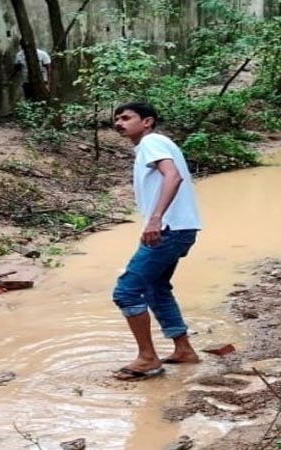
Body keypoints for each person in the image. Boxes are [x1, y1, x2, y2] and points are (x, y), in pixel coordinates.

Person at [111, 102, 202, 381]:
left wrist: (155, 219)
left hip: (169, 229)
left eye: (126, 118)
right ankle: (183, 349)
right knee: (155, 287)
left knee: (126, 291)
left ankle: (147, 359)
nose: (119, 123)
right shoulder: (153, 145)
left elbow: (172, 176)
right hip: (179, 228)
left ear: (147, 122)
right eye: (117, 119)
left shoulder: (151, 142)